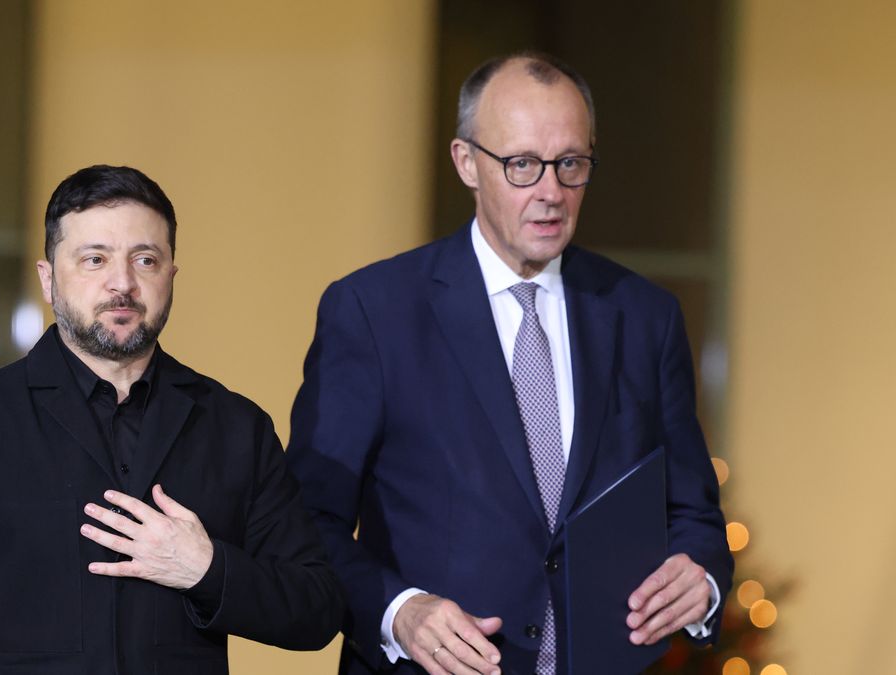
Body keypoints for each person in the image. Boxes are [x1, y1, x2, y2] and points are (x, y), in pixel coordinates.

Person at [287, 52, 733, 675]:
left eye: (571, 164)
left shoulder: (644, 316)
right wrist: (399, 611)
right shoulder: (373, 311)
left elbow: (693, 512)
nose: (551, 192)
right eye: (522, 164)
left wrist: (701, 577)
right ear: (466, 162)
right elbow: (307, 520)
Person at [0, 164, 343, 674]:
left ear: (171, 275)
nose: (123, 283)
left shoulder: (235, 427)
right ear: (48, 279)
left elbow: (316, 609)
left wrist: (206, 569)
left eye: (146, 260)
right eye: (95, 259)